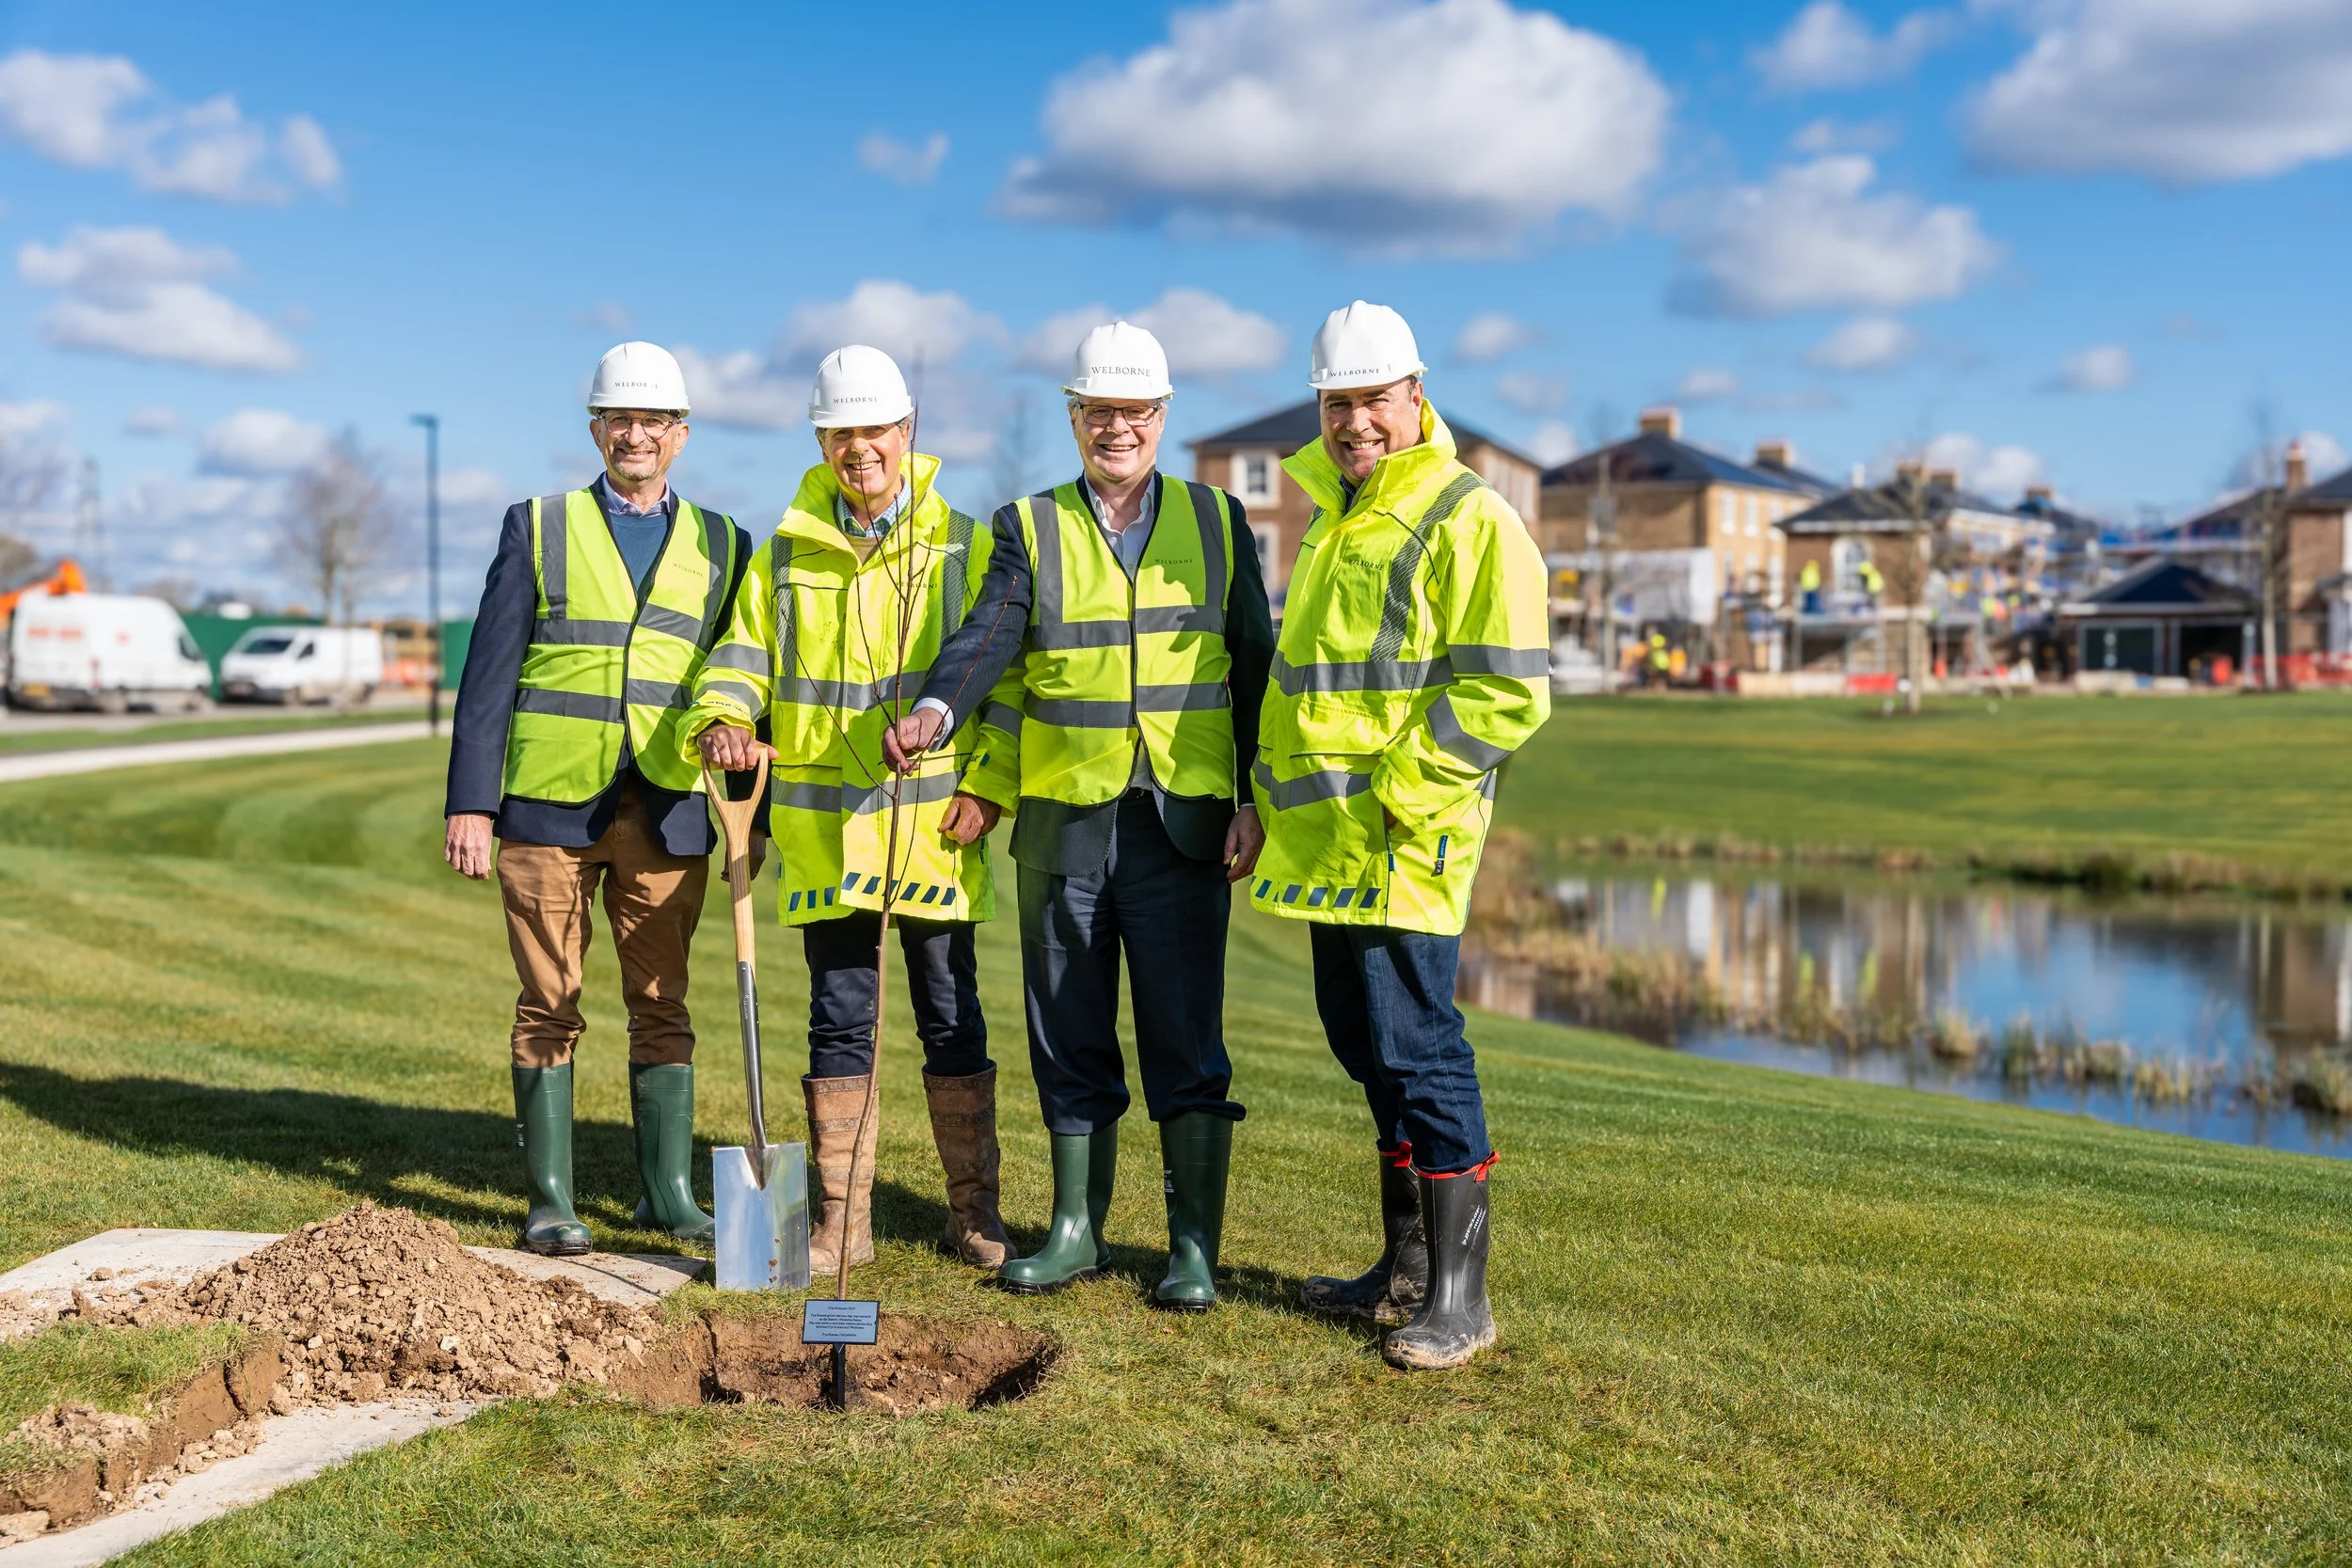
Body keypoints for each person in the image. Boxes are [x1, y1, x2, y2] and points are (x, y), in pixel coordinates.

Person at [882, 321, 1275, 1311]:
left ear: (1161, 417)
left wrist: (1250, 796)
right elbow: (991, 632)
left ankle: (1191, 1246)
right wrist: (936, 707)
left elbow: (1255, 668)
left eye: (1135, 411)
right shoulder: (1029, 523)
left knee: (1186, 1033)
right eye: (1099, 412)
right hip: (1065, 820)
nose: (1117, 428)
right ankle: (1074, 1229)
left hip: (1181, 821)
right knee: (1067, 1027)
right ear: (1073, 418)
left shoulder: (1220, 520)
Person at [1248, 302, 1550, 1370]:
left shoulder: (1467, 516)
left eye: (1372, 397)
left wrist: (1402, 796)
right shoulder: (1339, 516)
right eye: (1337, 402)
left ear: (1416, 394)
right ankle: (1405, 1270)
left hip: (1402, 841)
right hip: (1328, 844)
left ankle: (1462, 1301)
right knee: (1368, 1049)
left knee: (1421, 1050)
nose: (1354, 419)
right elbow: (1306, 690)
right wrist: (1259, 799)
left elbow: (1506, 692)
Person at [684, 346, 1012, 1276]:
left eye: (875, 430)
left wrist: (991, 783)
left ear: (907, 432)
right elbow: (744, 650)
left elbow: (1007, 680)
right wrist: (723, 719)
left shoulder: (965, 542)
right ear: (820, 439)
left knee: (951, 1015)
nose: (858, 448)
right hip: (827, 832)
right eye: (840, 433)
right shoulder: (784, 549)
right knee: (839, 1015)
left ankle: (973, 1214)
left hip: (932, 826)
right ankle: (841, 1226)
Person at [445, 341, 755, 1256]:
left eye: (653, 421)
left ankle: (666, 1193)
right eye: (620, 419)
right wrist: (472, 801)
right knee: (550, 998)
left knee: (663, 999)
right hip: (547, 801)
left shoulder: (725, 542)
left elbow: (742, 680)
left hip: (667, 806)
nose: (636, 434)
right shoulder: (537, 526)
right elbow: (488, 671)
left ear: (680, 434)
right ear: (595, 428)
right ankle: (551, 1198)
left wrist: (752, 816)